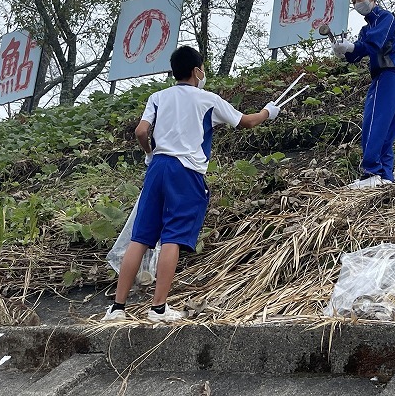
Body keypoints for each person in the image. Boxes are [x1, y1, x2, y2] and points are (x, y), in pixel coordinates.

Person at [103, 45, 280, 322]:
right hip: (185, 172)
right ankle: (158, 308)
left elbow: (141, 131)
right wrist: (269, 111)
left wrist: (149, 153)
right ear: (197, 70)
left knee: (140, 237)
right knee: (172, 236)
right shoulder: (207, 99)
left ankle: (117, 308)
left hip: (157, 168)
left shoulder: (158, 97)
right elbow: (247, 122)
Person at [331, 0, 395, 189]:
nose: (357, 4)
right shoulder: (366, 29)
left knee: (374, 121)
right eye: (354, 1)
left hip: (389, 73)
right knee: (386, 126)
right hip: (394, 76)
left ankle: (371, 172)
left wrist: (351, 47)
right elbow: (357, 53)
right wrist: (344, 50)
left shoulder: (386, 18)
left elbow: (374, 45)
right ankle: (385, 175)